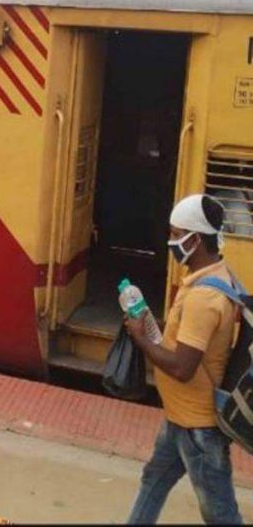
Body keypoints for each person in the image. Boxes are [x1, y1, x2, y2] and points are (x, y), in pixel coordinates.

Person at [125, 194, 242, 524]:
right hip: (179, 419)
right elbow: (182, 340)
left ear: (197, 239)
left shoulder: (205, 297)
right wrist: (150, 323)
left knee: (220, 513)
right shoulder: (209, 277)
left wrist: (140, 337)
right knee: (153, 481)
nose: (172, 242)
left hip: (198, 430)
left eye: (177, 235)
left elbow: (182, 367)